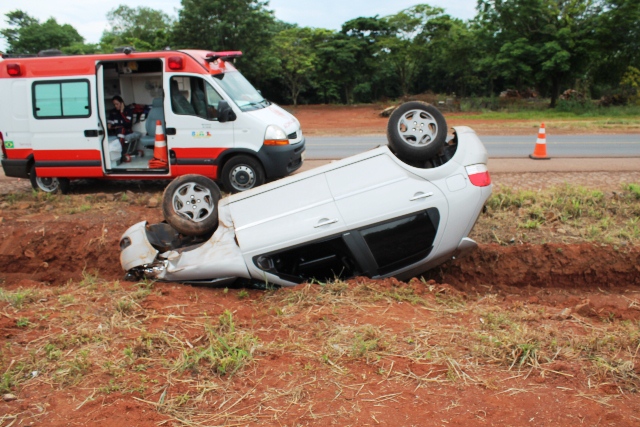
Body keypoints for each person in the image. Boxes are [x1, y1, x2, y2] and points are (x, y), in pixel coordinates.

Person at [108, 95, 141, 162]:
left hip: (126, 130)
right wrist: (110, 125)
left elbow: (127, 124)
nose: (115, 106)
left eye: (117, 104)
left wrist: (122, 112)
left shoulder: (128, 110)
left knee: (121, 130)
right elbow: (110, 124)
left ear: (121, 103)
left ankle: (120, 152)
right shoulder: (113, 112)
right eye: (114, 104)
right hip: (115, 130)